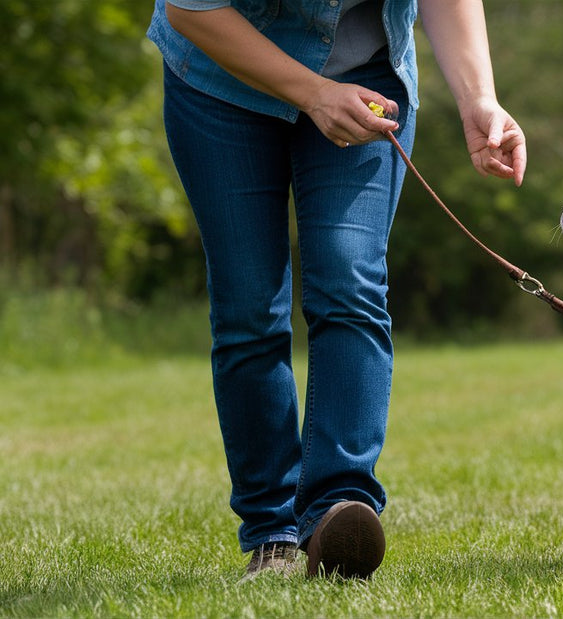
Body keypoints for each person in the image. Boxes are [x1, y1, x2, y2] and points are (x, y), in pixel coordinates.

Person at [147, 0, 526, 580]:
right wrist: (315, 94)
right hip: (221, 84)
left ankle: (337, 513)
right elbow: (192, 9)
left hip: (366, 76)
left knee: (349, 281)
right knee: (250, 305)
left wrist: (480, 98)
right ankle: (272, 534)